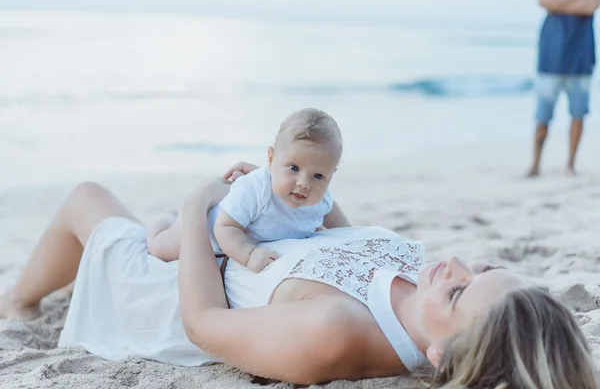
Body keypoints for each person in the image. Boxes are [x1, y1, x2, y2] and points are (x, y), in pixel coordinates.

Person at [0, 162, 598, 388]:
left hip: (178, 291)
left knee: (87, 198)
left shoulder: (336, 333)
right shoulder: (420, 282)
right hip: (235, 249)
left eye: (461, 289)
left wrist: (197, 208)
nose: (458, 265)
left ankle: (19, 304)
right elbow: (343, 243)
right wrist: (300, 189)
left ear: (442, 356)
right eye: (488, 266)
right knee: (134, 220)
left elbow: (204, 322)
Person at [146, 108, 350, 273]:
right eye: (294, 168)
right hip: (207, 228)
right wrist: (249, 254)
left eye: (319, 176)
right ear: (271, 159)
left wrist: (353, 239)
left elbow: (341, 226)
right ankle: (163, 222)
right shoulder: (256, 190)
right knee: (160, 248)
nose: (304, 183)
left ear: (331, 174)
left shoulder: (321, 200)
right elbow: (225, 227)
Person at [528, 0, 598, 177]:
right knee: (543, 115)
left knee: (578, 113)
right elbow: (543, 0)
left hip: (581, 59)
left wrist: (559, 3)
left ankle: (570, 164)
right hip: (550, 57)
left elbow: (591, 6)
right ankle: (535, 165)